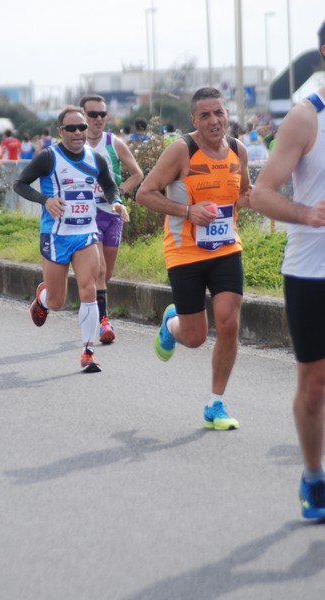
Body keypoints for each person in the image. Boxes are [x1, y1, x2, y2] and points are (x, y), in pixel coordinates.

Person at [137, 87, 251, 430]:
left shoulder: (238, 150)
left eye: (219, 112)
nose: (214, 120)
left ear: (227, 114)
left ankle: (215, 404)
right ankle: (172, 324)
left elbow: (244, 193)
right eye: (205, 115)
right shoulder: (181, 151)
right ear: (193, 120)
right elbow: (144, 193)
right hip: (184, 252)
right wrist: (188, 211)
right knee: (196, 337)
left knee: (229, 323)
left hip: (227, 249)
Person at [250, 22, 325, 520]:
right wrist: (308, 214)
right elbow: (261, 192)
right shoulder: (306, 117)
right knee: (315, 384)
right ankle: (314, 475)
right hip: (311, 271)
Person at [13, 105, 129, 373]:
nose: (78, 133)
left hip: (85, 234)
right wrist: (46, 200)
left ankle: (87, 352)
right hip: (56, 236)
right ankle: (42, 297)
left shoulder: (94, 158)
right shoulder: (47, 157)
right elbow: (19, 184)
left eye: (82, 127)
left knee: (88, 289)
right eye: (72, 128)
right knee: (57, 301)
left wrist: (116, 202)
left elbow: (110, 185)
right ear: (60, 131)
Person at [79, 94, 143, 344]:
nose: (98, 119)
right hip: (87, 216)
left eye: (102, 114)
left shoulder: (113, 143)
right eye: (92, 114)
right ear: (83, 116)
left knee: (106, 273)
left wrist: (118, 193)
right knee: (99, 269)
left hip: (112, 214)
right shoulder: (75, 144)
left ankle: (94, 304)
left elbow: (137, 173)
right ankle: (104, 321)